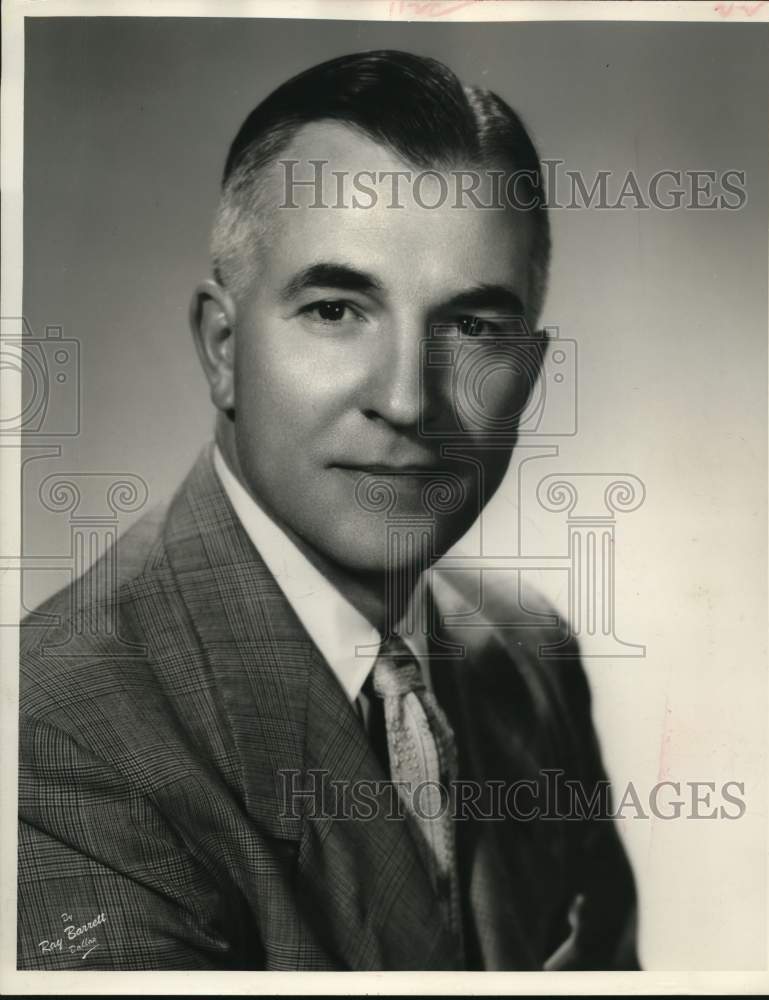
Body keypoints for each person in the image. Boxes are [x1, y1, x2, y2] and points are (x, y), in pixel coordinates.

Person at [17, 50, 639, 971]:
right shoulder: (54, 737)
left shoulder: (527, 657)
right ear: (223, 347)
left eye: (473, 328)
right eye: (338, 309)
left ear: (531, 377)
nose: (408, 400)